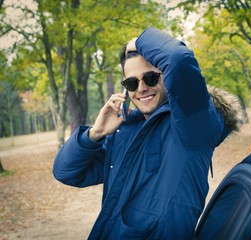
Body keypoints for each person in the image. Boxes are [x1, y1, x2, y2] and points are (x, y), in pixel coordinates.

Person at [53, 28, 240, 239]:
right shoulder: (123, 134)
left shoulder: (193, 124)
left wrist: (136, 42)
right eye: (131, 82)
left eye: (151, 78)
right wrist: (95, 134)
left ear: (167, 78)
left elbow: (178, 58)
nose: (141, 88)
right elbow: (66, 172)